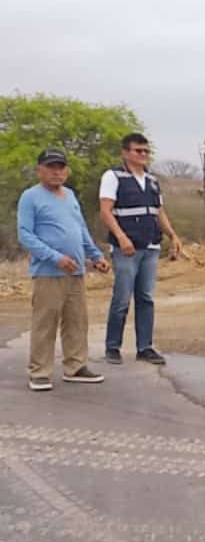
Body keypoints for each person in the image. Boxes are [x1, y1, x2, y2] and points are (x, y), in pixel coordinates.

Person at [17, 149, 110, 391]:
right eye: (51, 167)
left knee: (76, 321)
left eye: (60, 167)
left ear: (66, 171)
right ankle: (39, 372)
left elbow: (81, 230)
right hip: (48, 272)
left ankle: (75, 367)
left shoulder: (69, 196)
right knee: (45, 323)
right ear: (39, 170)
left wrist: (96, 256)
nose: (56, 172)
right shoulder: (30, 197)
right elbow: (25, 235)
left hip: (76, 272)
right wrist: (55, 258)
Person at [99, 133, 181, 366]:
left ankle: (145, 347)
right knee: (122, 297)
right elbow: (105, 211)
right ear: (125, 152)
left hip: (150, 246)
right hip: (126, 248)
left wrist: (173, 235)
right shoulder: (113, 177)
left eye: (146, 151)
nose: (143, 154)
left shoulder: (152, 181)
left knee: (146, 298)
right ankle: (112, 347)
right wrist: (121, 237)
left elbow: (159, 212)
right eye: (138, 150)